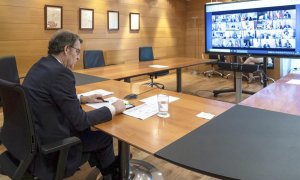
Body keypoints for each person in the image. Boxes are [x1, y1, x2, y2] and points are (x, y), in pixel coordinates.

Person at [23, 30, 125, 180]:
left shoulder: (40, 65)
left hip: (34, 137)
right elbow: (80, 121)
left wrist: (82, 99)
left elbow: (49, 97)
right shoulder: (61, 73)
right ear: (66, 49)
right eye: (77, 51)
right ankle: (112, 173)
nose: (78, 57)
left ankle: (108, 168)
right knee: (104, 137)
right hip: (53, 146)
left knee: (96, 137)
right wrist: (113, 108)